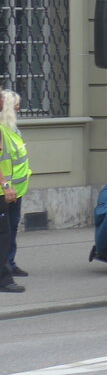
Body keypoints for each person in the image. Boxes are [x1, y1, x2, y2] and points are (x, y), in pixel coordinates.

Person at [0, 90, 30, 282]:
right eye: (16, 104)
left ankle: (9, 264)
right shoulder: (4, 130)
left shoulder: (12, 130)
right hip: (6, 191)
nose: (19, 107)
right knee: (5, 231)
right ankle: (5, 272)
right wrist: (6, 185)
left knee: (10, 229)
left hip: (14, 190)